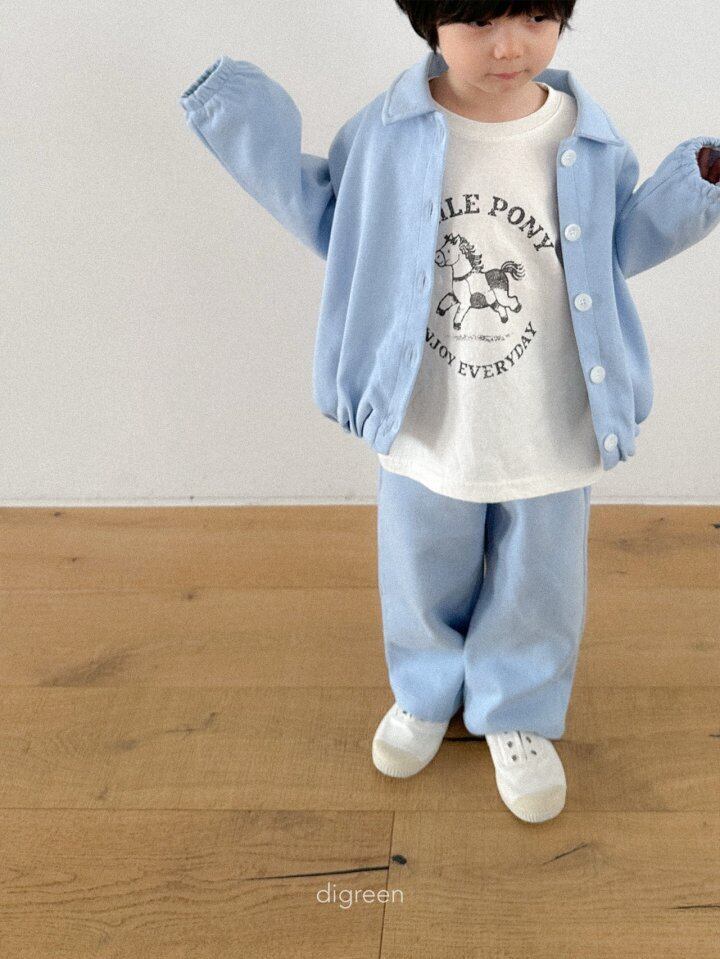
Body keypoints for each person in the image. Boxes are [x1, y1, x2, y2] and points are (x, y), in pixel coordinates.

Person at [178, 1, 720, 824]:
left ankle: (517, 708)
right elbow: (337, 222)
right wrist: (238, 115)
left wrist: (695, 184)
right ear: (429, 20)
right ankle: (426, 688)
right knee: (420, 560)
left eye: (535, 17)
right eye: (478, 22)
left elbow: (621, 247)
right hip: (429, 405)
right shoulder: (389, 130)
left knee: (541, 575)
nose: (509, 46)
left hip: (550, 406)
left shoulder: (587, 137)